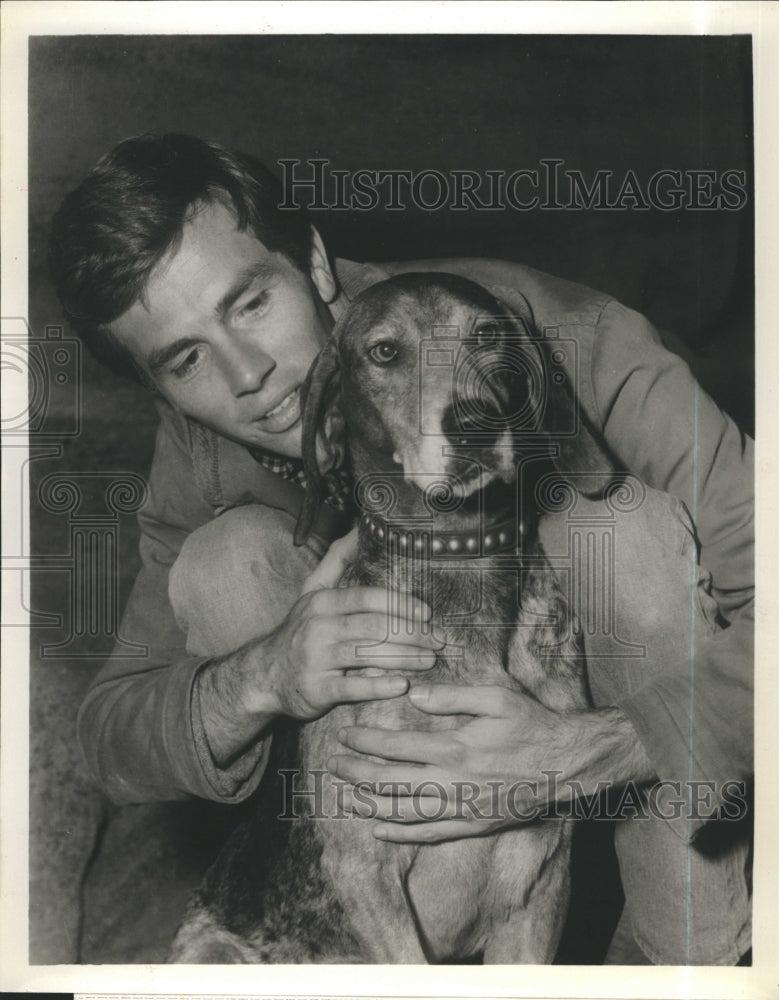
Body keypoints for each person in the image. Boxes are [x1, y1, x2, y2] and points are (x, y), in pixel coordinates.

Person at [48, 132, 753, 965]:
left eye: (251, 302)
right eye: (186, 358)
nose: (248, 375)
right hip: (375, 839)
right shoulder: (200, 452)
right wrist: (262, 675)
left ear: (311, 262)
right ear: (158, 385)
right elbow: (110, 737)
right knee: (227, 564)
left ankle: (691, 960)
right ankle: (364, 905)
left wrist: (598, 747)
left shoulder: (573, 342)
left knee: (619, 534)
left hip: (610, 738)